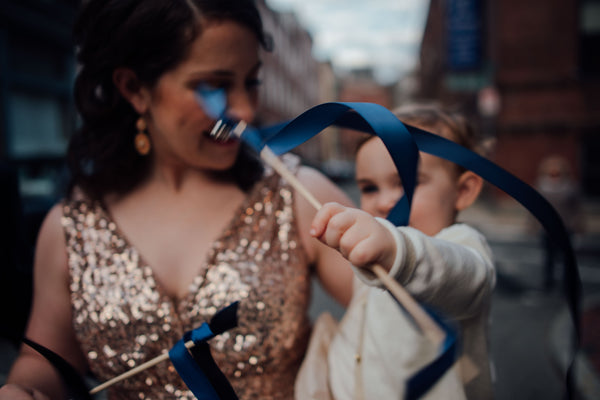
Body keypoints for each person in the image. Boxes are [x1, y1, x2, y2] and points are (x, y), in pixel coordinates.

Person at [0, 1, 355, 399]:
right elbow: (45, 360)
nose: (243, 110)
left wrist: (414, 251)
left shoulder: (299, 198)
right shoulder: (70, 227)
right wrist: (25, 389)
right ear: (134, 88)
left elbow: (396, 319)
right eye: (215, 86)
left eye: (252, 81)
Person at [295, 104, 496, 400]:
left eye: (404, 183)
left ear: (463, 191)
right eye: (369, 188)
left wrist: (397, 250)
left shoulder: (462, 244)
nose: (385, 202)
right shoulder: (375, 256)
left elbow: (464, 277)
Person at [534, 155, 582, 291]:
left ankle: (568, 283)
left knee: (567, 258)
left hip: (566, 226)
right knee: (549, 257)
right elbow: (535, 208)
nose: (554, 171)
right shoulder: (542, 186)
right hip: (547, 228)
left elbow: (576, 209)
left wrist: (577, 225)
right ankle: (548, 282)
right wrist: (534, 226)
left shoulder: (570, 187)